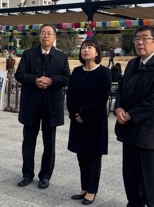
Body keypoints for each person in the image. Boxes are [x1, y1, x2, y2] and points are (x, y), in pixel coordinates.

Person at [113, 26, 154, 207]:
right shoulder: (132, 64)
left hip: (148, 133)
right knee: (130, 176)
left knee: (149, 181)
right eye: (137, 38)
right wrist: (118, 109)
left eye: (145, 38)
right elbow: (121, 91)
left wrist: (131, 114)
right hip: (129, 130)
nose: (140, 42)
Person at [15, 23, 71, 189]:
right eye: (43, 33)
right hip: (31, 104)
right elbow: (19, 74)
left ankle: (45, 176)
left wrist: (51, 80)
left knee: (50, 143)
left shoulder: (61, 57)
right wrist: (35, 80)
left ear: (54, 37)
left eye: (49, 33)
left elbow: (67, 78)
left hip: (51, 106)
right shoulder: (28, 54)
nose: (46, 35)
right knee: (28, 142)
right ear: (39, 36)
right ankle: (27, 174)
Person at [66, 39, 111, 205]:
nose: (86, 50)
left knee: (93, 158)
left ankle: (92, 190)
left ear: (97, 52)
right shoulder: (77, 71)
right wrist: (75, 113)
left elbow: (101, 98)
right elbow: (70, 95)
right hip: (77, 121)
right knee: (81, 156)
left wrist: (84, 114)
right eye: (84, 47)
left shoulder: (104, 73)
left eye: (90, 47)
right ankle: (84, 187)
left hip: (94, 122)